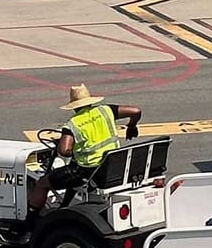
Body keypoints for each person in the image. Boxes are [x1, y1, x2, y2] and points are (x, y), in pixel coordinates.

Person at [29, 84, 142, 216]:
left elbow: (64, 150)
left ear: (74, 106)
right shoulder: (105, 110)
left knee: (42, 184)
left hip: (87, 171)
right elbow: (136, 111)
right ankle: (65, 206)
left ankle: (30, 219)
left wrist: (73, 149)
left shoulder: (73, 123)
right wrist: (132, 127)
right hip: (111, 166)